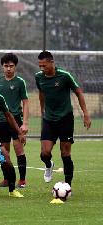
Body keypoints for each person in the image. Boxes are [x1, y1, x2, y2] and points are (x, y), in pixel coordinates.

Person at [35, 51, 91, 186]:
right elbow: (41, 93)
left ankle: (67, 185)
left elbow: (78, 92)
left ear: (52, 63)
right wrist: (42, 110)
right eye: (40, 66)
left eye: (44, 65)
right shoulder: (39, 77)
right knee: (45, 153)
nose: (42, 69)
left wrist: (86, 114)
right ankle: (49, 165)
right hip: (49, 119)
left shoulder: (65, 76)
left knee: (65, 153)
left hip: (65, 119)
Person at [0, 53, 29, 188]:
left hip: (16, 121)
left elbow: (25, 102)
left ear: (15, 67)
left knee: (18, 149)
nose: (8, 68)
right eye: (6, 66)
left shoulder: (20, 82)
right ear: (2, 67)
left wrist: (25, 123)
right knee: (4, 151)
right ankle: (7, 179)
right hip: (2, 122)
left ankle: (22, 180)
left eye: (11, 66)